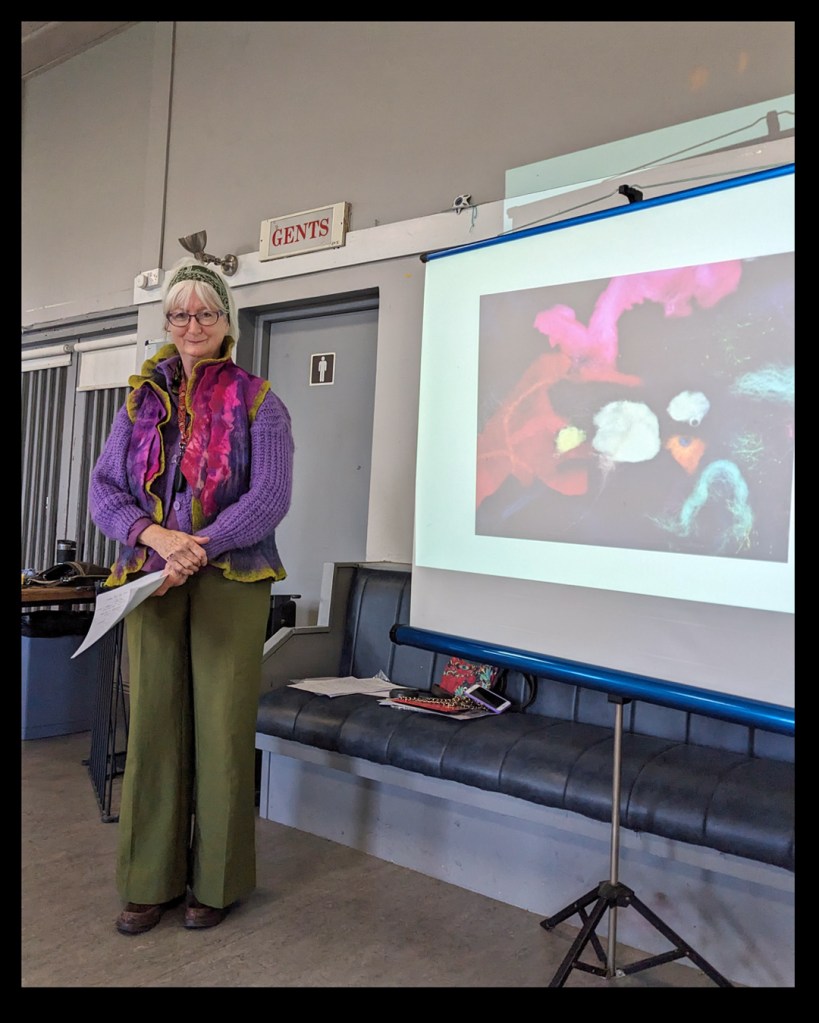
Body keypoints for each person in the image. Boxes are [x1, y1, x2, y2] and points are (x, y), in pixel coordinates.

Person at [89, 257, 294, 935]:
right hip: (150, 578)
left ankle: (217, 881)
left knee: (221, 729)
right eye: (179, 313)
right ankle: (150, 881)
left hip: (230, 579)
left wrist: (195, 546)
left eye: (205, 312)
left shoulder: (260, 401)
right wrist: (155, 537)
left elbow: (268, 497)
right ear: (168, 322)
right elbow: (104, 491)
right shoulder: (138, 402)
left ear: (226, 321)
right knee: (153, 726)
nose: (192, 324)